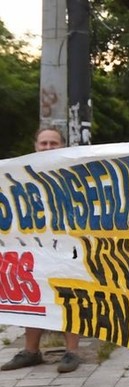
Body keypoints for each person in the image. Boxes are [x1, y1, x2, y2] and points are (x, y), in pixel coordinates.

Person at [1, 127, 83, 374]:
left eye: (53, 143)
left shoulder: (71, 173)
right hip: (33, 248)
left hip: (66, 247)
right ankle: (31, 351)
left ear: (62, 146)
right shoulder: (20, 174)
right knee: (32, 296)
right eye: (44, 143)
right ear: (36, 146)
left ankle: (72, 352)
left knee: (69, 296)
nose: (48, 147)